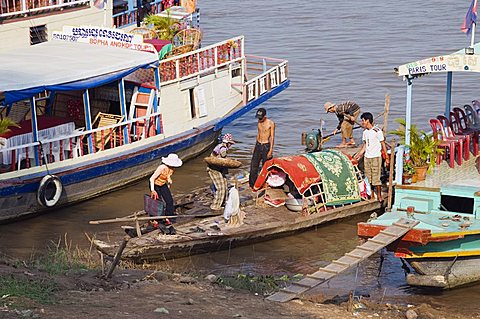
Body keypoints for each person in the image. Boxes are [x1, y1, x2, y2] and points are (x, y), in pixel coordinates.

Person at [353, 112, 388, 202]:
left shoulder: (377, 131)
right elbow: (365, 145)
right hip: (367, 157)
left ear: (367, 121)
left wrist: (387, 157)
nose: (362, 123)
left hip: (376, 157)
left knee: (376, 177)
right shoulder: (365, 132)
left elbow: (383, 144)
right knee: (369, 178)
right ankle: (372, 194)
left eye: (363, 121)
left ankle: (379, 196)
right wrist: (359, 154)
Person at [207, 133, 235, 210]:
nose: (230, 145)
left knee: (225, 185)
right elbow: (223, 156)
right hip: (214, 170)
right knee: (221, 188)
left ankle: (223, 203)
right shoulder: (223, 148)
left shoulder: (220, 146)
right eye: (230, 144)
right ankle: (215, 206)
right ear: (228, 143)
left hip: (218, 169)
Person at [149, 153, 183, 218]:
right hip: (155, 185)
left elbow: (167, 175)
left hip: (163, 184)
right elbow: (152, 178)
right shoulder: (162, 167)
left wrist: (168, 180)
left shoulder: (172, 168)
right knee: (158, 202)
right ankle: (157, 218)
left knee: (169, 200)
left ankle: (169, 216)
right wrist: (152, 190)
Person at [249, 108, 275, 188]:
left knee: (265, 166)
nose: (259, 119)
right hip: (258, 145)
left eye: (261, 118)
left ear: (265, 116)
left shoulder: (271, 123)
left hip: (266, 145)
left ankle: (265, 184)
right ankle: (252, 184)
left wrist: (270, 150)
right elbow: (258, 134)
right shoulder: (259, 122)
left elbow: (272, 137)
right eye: (258, 118)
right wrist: (255, 146)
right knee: (253, 165)